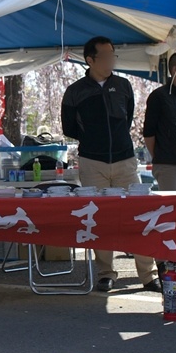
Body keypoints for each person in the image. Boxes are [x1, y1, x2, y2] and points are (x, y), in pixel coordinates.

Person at [61, 36, 160, 292]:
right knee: (99, 219)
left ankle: (148, 275)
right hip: (92, 161)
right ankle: (106, 272)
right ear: (90, 60)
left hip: (125, 159)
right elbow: (69, 128)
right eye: (105, 56)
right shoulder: (75, 91)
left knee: (138, 215)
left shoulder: (124, 85)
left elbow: (126, 119)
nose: (110, 61)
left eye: (112, 55)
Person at [143, 52, 176, 191]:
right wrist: (160, 157)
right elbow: (148, 133)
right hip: (168, 165)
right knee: (171, 207)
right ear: (175, 69)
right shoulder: (159, 96)